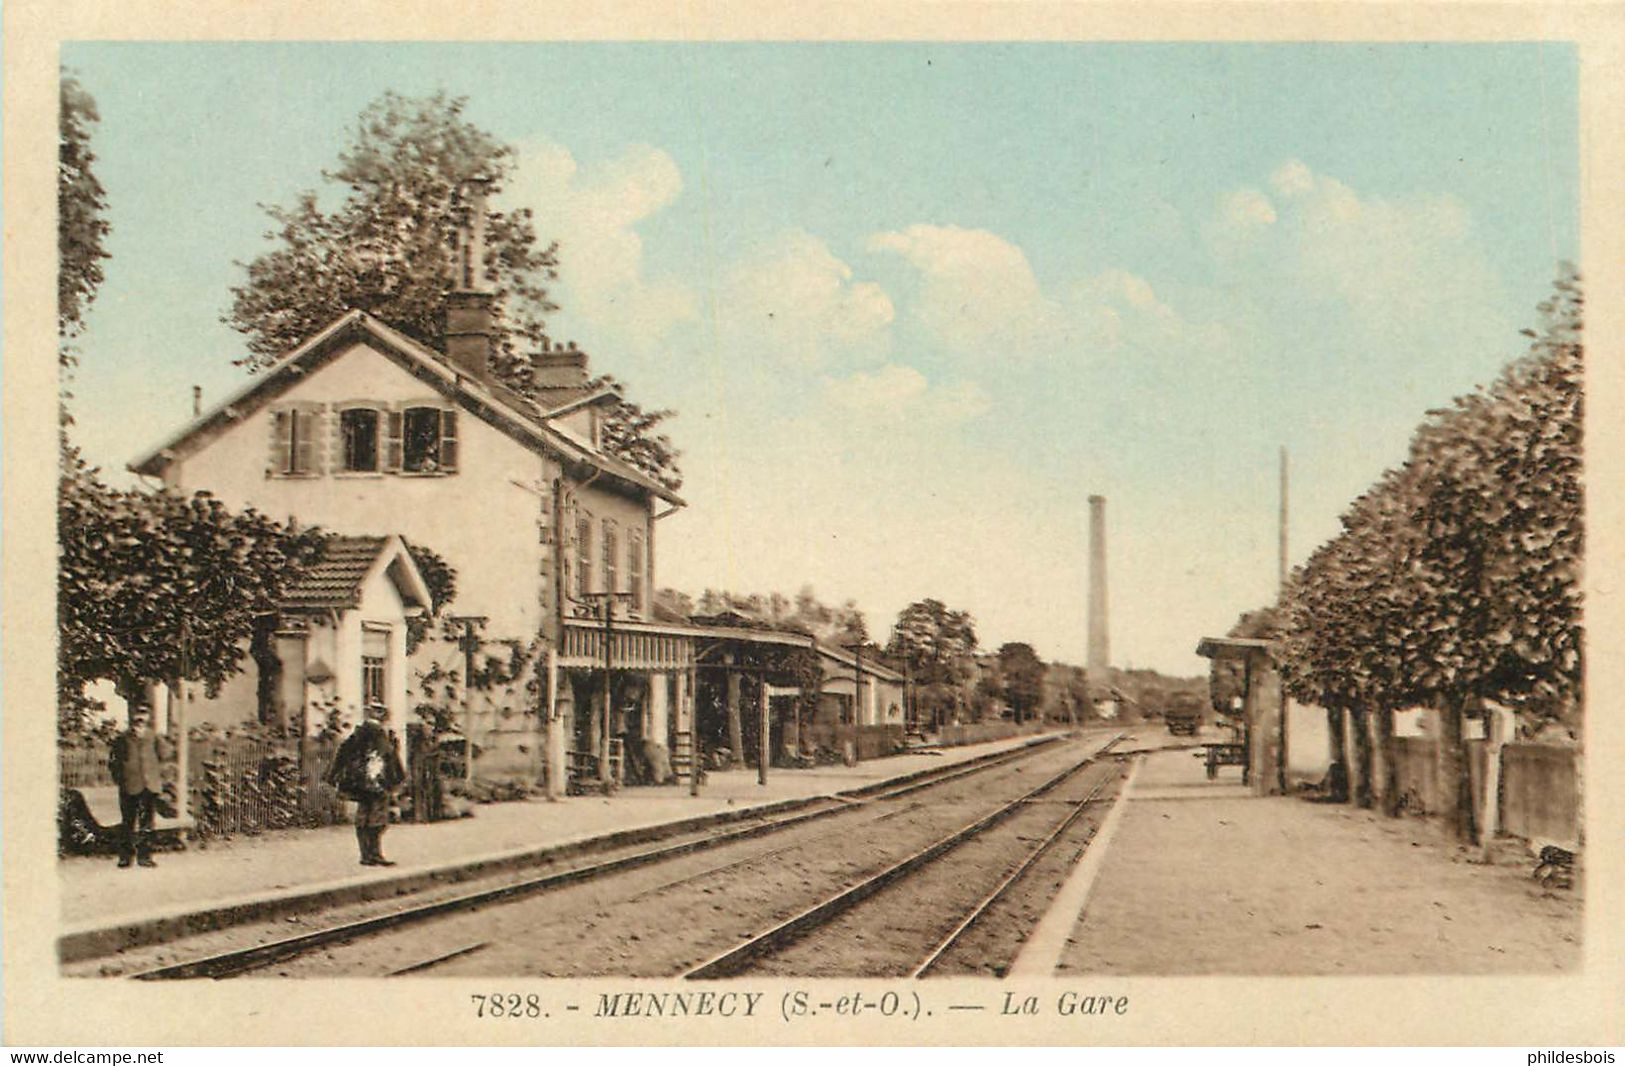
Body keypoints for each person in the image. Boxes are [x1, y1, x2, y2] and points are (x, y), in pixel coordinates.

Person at [326, 704, 406, 866]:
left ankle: (367, 854)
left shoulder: (359, 733)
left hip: (363, 783)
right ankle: (373, 854)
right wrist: (397, 777)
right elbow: (389, 756)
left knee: (365, 816)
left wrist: (333, 775)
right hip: (376, 782)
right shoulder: (378, 734)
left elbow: (342, 753)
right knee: (377, 818)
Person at [107, 708, 166, 868]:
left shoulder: (153, 737)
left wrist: (155, 774)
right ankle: (125, 857)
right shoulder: (123, 738)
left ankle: (145, 857)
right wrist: (121, 779)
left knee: (147, 823)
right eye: (137, 716)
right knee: (127, 822)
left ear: (147, 718)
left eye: (143, 715)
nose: (140, 719)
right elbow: (113, 762)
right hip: (129, 785)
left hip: (149, 785)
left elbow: (164, 754)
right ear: (132, 719)